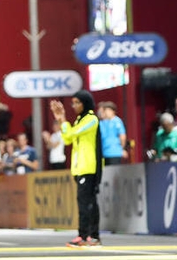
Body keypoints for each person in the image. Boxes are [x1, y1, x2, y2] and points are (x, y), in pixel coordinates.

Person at [50, 90, 103, 248]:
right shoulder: (80, 119)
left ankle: (86, 235)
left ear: (85, 103)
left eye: (77, 103)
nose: (74, 106)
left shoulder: (91, 119)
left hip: (89, 167)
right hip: (79, 168)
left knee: (86, 203)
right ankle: (91, 236)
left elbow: (71, 133)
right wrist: (61, 121)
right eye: (73, 103)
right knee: (87, 202)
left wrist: (64, 120)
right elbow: (67, 139)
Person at [98, 101, 127, 165]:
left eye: (107, 110)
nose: (106, 112)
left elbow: (122, 136)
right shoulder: (102, 122)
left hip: (115, 153)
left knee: (114, 173)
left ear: (113, 111)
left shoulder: (117, 121)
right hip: (104, 153)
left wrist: (122, 149)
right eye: (105, 110)